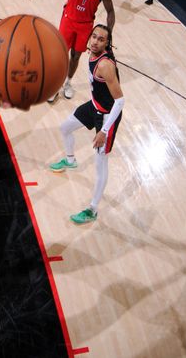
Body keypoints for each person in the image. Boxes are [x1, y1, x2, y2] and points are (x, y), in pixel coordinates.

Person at [48, 25, 124, 224]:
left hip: (107, 116)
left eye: (101, 39)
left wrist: (104, 131)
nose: (96, 41)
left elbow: (120, 101)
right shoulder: (92, 54)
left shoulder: (105, 65)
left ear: (107, 43)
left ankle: (93, 209)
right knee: (65, 127)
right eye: (94, 37)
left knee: (100, 163)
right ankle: (71, 160)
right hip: (95, 106)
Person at [27, 0, 115, 102]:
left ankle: (67, 82)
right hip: (68, 21)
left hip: (85, 26)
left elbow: (111, 12)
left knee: (75, 56)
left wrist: (108, 33)